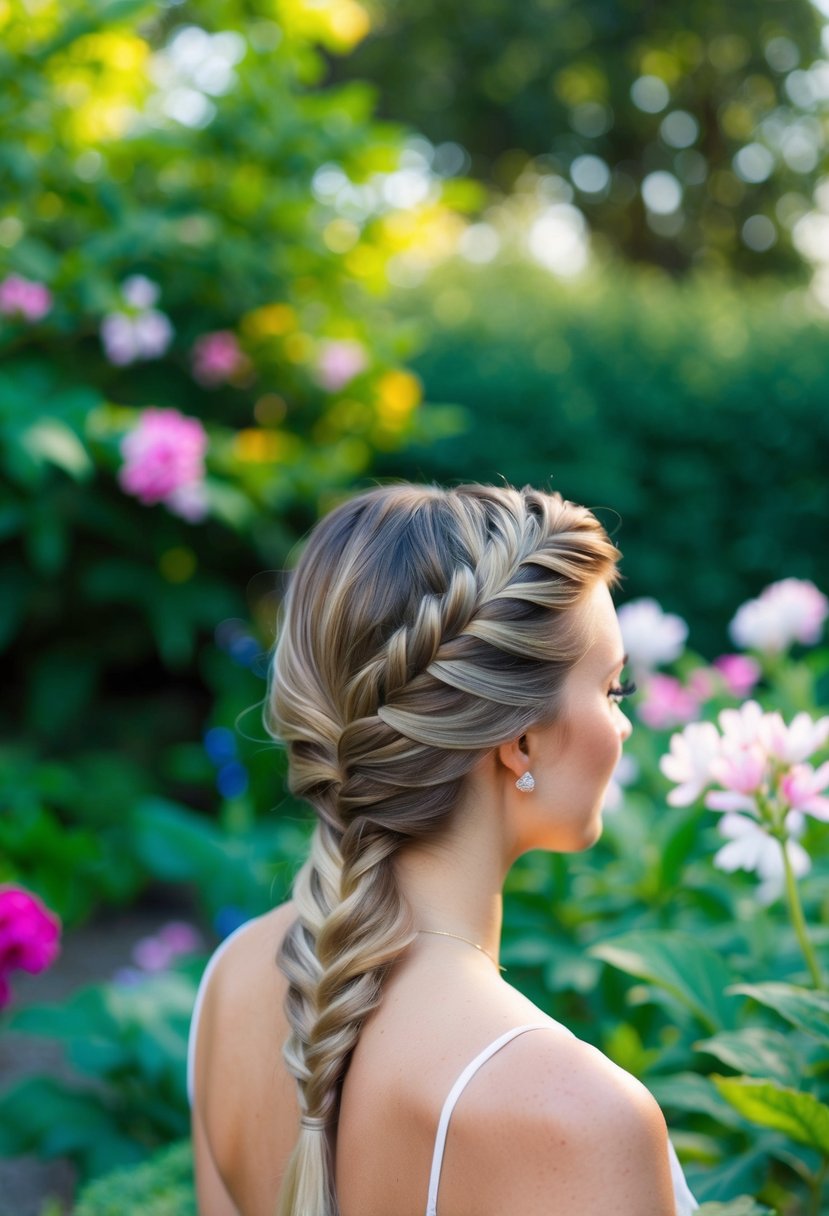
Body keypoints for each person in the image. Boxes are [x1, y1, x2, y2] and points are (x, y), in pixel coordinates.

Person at [188, 482, 699, 1216]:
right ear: (519, 742)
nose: (622, 727)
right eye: (613, 691)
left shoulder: (232, 981)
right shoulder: (573, 1117)